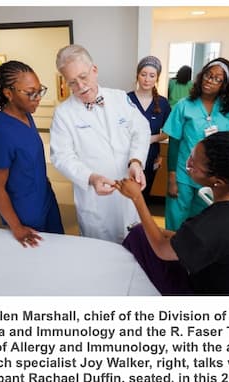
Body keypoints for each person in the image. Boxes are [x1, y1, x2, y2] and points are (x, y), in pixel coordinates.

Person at [115, 131, 229, 296]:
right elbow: (211, 242)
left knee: (138, 235)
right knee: (145, 232)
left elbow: (162, 249)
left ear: (218, 182)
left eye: (193, 165)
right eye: (191, 156)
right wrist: (164, 233)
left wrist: (137, 197)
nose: (188, 164)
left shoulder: (216, 222)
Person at [50, 45, 150, 243]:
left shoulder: (120, 98)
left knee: (135, 246)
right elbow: (61, 156)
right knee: (100, 250)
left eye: (84, 77)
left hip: (127, 189)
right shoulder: (64, 114)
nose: (80, 86)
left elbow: (141, 129)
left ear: (94, 70)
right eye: (72, 83)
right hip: (95, 198)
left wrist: (136, 161)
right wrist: (91, 177)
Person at [0, 60, 64, 248]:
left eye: (39, 90)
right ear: (8, 93)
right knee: (37, 264)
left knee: (59, 250)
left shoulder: (26, 115)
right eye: (30, 93)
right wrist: (17, 226)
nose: (38, 98)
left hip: (45, 199)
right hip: (25, 212)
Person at [163, 57, 229, 231]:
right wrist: (172, 177)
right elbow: (174, 143)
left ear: (224, 84)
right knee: (176, 223)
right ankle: (169, 257)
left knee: (202, 224)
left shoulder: (228, 110)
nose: (209, 81)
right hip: (184, 175)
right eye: (207, 75)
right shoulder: (184, 106)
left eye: (216, 79)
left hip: (211, 178)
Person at [127, 56, 171, 201]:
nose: (147, 79)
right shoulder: (125, 100)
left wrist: (150, 139)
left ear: (157, 78)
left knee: (143, 196)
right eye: (143, 74)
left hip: (152, 156)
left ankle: (140, 223)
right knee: (127, 196)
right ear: (137, 76)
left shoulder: (163, 103)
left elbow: (167, 132)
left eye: (152, 75)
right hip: (127, 156)